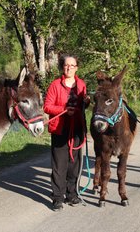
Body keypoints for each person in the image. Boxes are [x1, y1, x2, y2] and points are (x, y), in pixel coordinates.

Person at [44, 54, 90, 211]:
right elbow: (47, 106)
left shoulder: (81, 84)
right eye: (66, 65)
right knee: (59, 165)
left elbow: (84, 106)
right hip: (60, 129)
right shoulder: (55, 85)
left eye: (72, 65)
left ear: (77, 68)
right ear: (63, 67)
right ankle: (57, 197)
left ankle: (72, 194)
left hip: (77, 128)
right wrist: (64, 110)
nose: (69, 67)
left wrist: (87, 102)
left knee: (74, 164)